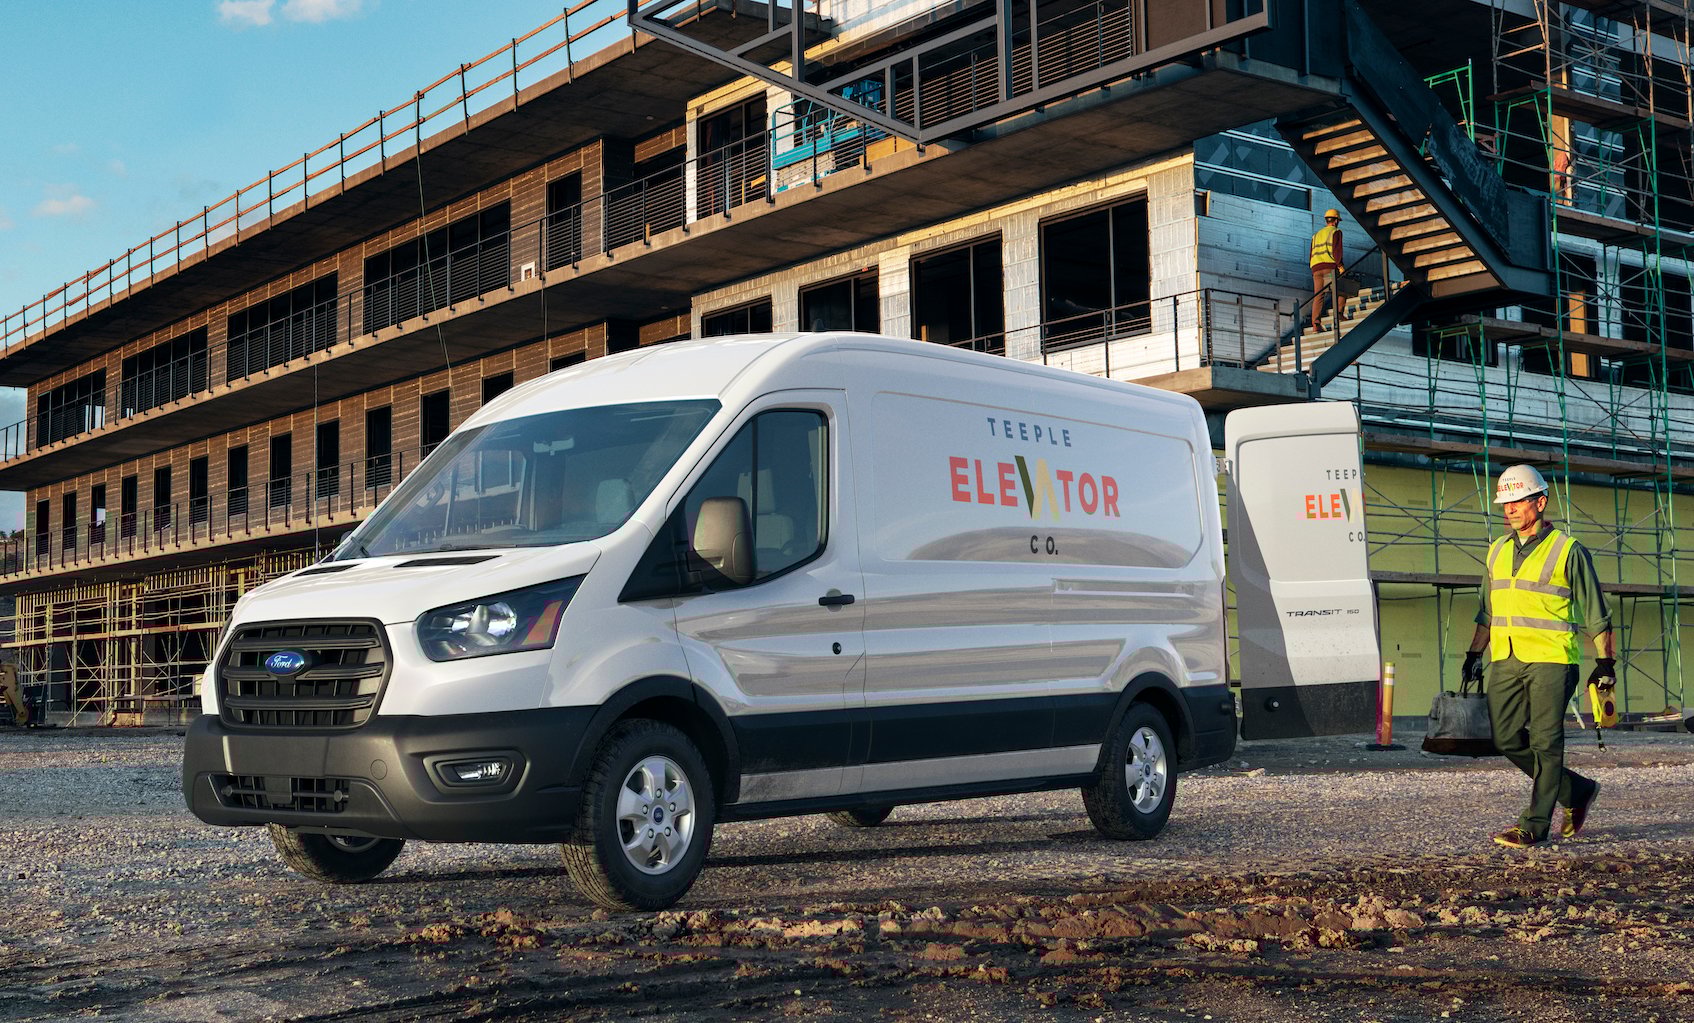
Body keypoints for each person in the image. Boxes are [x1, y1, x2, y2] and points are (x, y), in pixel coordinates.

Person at [1462, 464, 1611, 848]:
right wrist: (1474, 653)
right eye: (1505, 502)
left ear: (1540, 502)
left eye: (1517, 501)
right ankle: (1575, 791)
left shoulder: (1568, 550)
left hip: (1552, 659)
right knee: (1507, 737)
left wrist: (1605, 664)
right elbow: (1487, 611)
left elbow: (1596, 612)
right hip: (1507, 658)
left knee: (1546, 742)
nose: (1509, 509)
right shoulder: (1496, 551)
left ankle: (1534, 824)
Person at [1309, 209, 1344, 330]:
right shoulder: (1336, 232)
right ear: (1335, 221)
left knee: (1318, 295)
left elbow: (1311, 254)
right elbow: (1337, 251)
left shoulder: (1316, 235)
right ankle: (1339, 314)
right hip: (1329, 268)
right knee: (1341, 289)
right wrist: (1340, 266)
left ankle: (1315, 324)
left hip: (1316, 269)